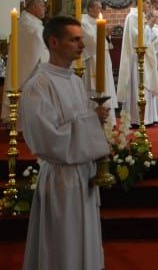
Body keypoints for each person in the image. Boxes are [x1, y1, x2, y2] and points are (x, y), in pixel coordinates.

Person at [19, 16, 110, 270]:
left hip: (83, 174)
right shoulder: (38, 85)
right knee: (63, 246)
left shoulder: (75, 81)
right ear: (54, 42)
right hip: (61, 179)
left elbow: (80, 123)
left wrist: (94, 123)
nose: (82, 45)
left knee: (84, 242)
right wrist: (92, 121)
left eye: (81, 39)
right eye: (75, 40)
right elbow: (47, 139)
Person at [2, 0, 50, 130]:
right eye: (41, 6)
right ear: (32, 7)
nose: (44, 9)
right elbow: (37, 42)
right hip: (29, 71)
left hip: (35, 69)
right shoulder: (26, 23)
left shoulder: (33, 23)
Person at [117, 0, 158, 126]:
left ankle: (148, 118)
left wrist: (149, 27)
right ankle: (137, 118)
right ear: (139, 2)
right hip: (136, 56)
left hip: (146, 55)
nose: (149, 5)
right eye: (146, 2)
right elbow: (136, 37)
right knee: (139, 85)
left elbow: (150, 38)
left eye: (149, 3)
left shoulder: (143, 17)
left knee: (146, 85)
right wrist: (148, 26)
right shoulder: (132, 17)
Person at [81, 0, 118, 127]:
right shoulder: (83, 22)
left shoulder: (98, 21)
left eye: (101, 8)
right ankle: (94, 119)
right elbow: (90, 41)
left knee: (107, 85)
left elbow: (105, 42)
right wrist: (103, 33)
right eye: (98, 8)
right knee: (94, 87)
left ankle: (109, 120)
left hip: (104, 58)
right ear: (90, 8)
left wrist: (107, 36)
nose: (100, 11)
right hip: (93, 59)